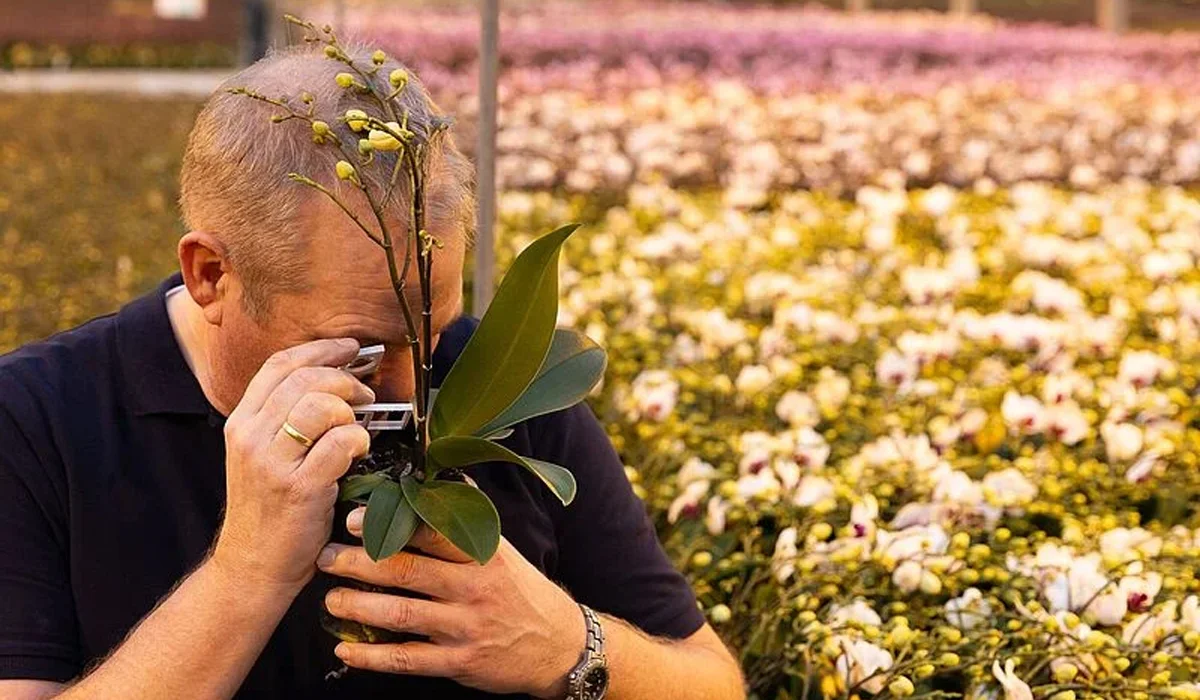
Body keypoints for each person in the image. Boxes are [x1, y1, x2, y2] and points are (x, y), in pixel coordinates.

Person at [0, 45, 744, 700]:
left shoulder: (503, 385)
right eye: (359, 346)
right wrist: (246, 575)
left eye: (432, 331)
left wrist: (568, 649)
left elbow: (712, 683)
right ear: (211, 274)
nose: (406, 387)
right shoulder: (38, 421)